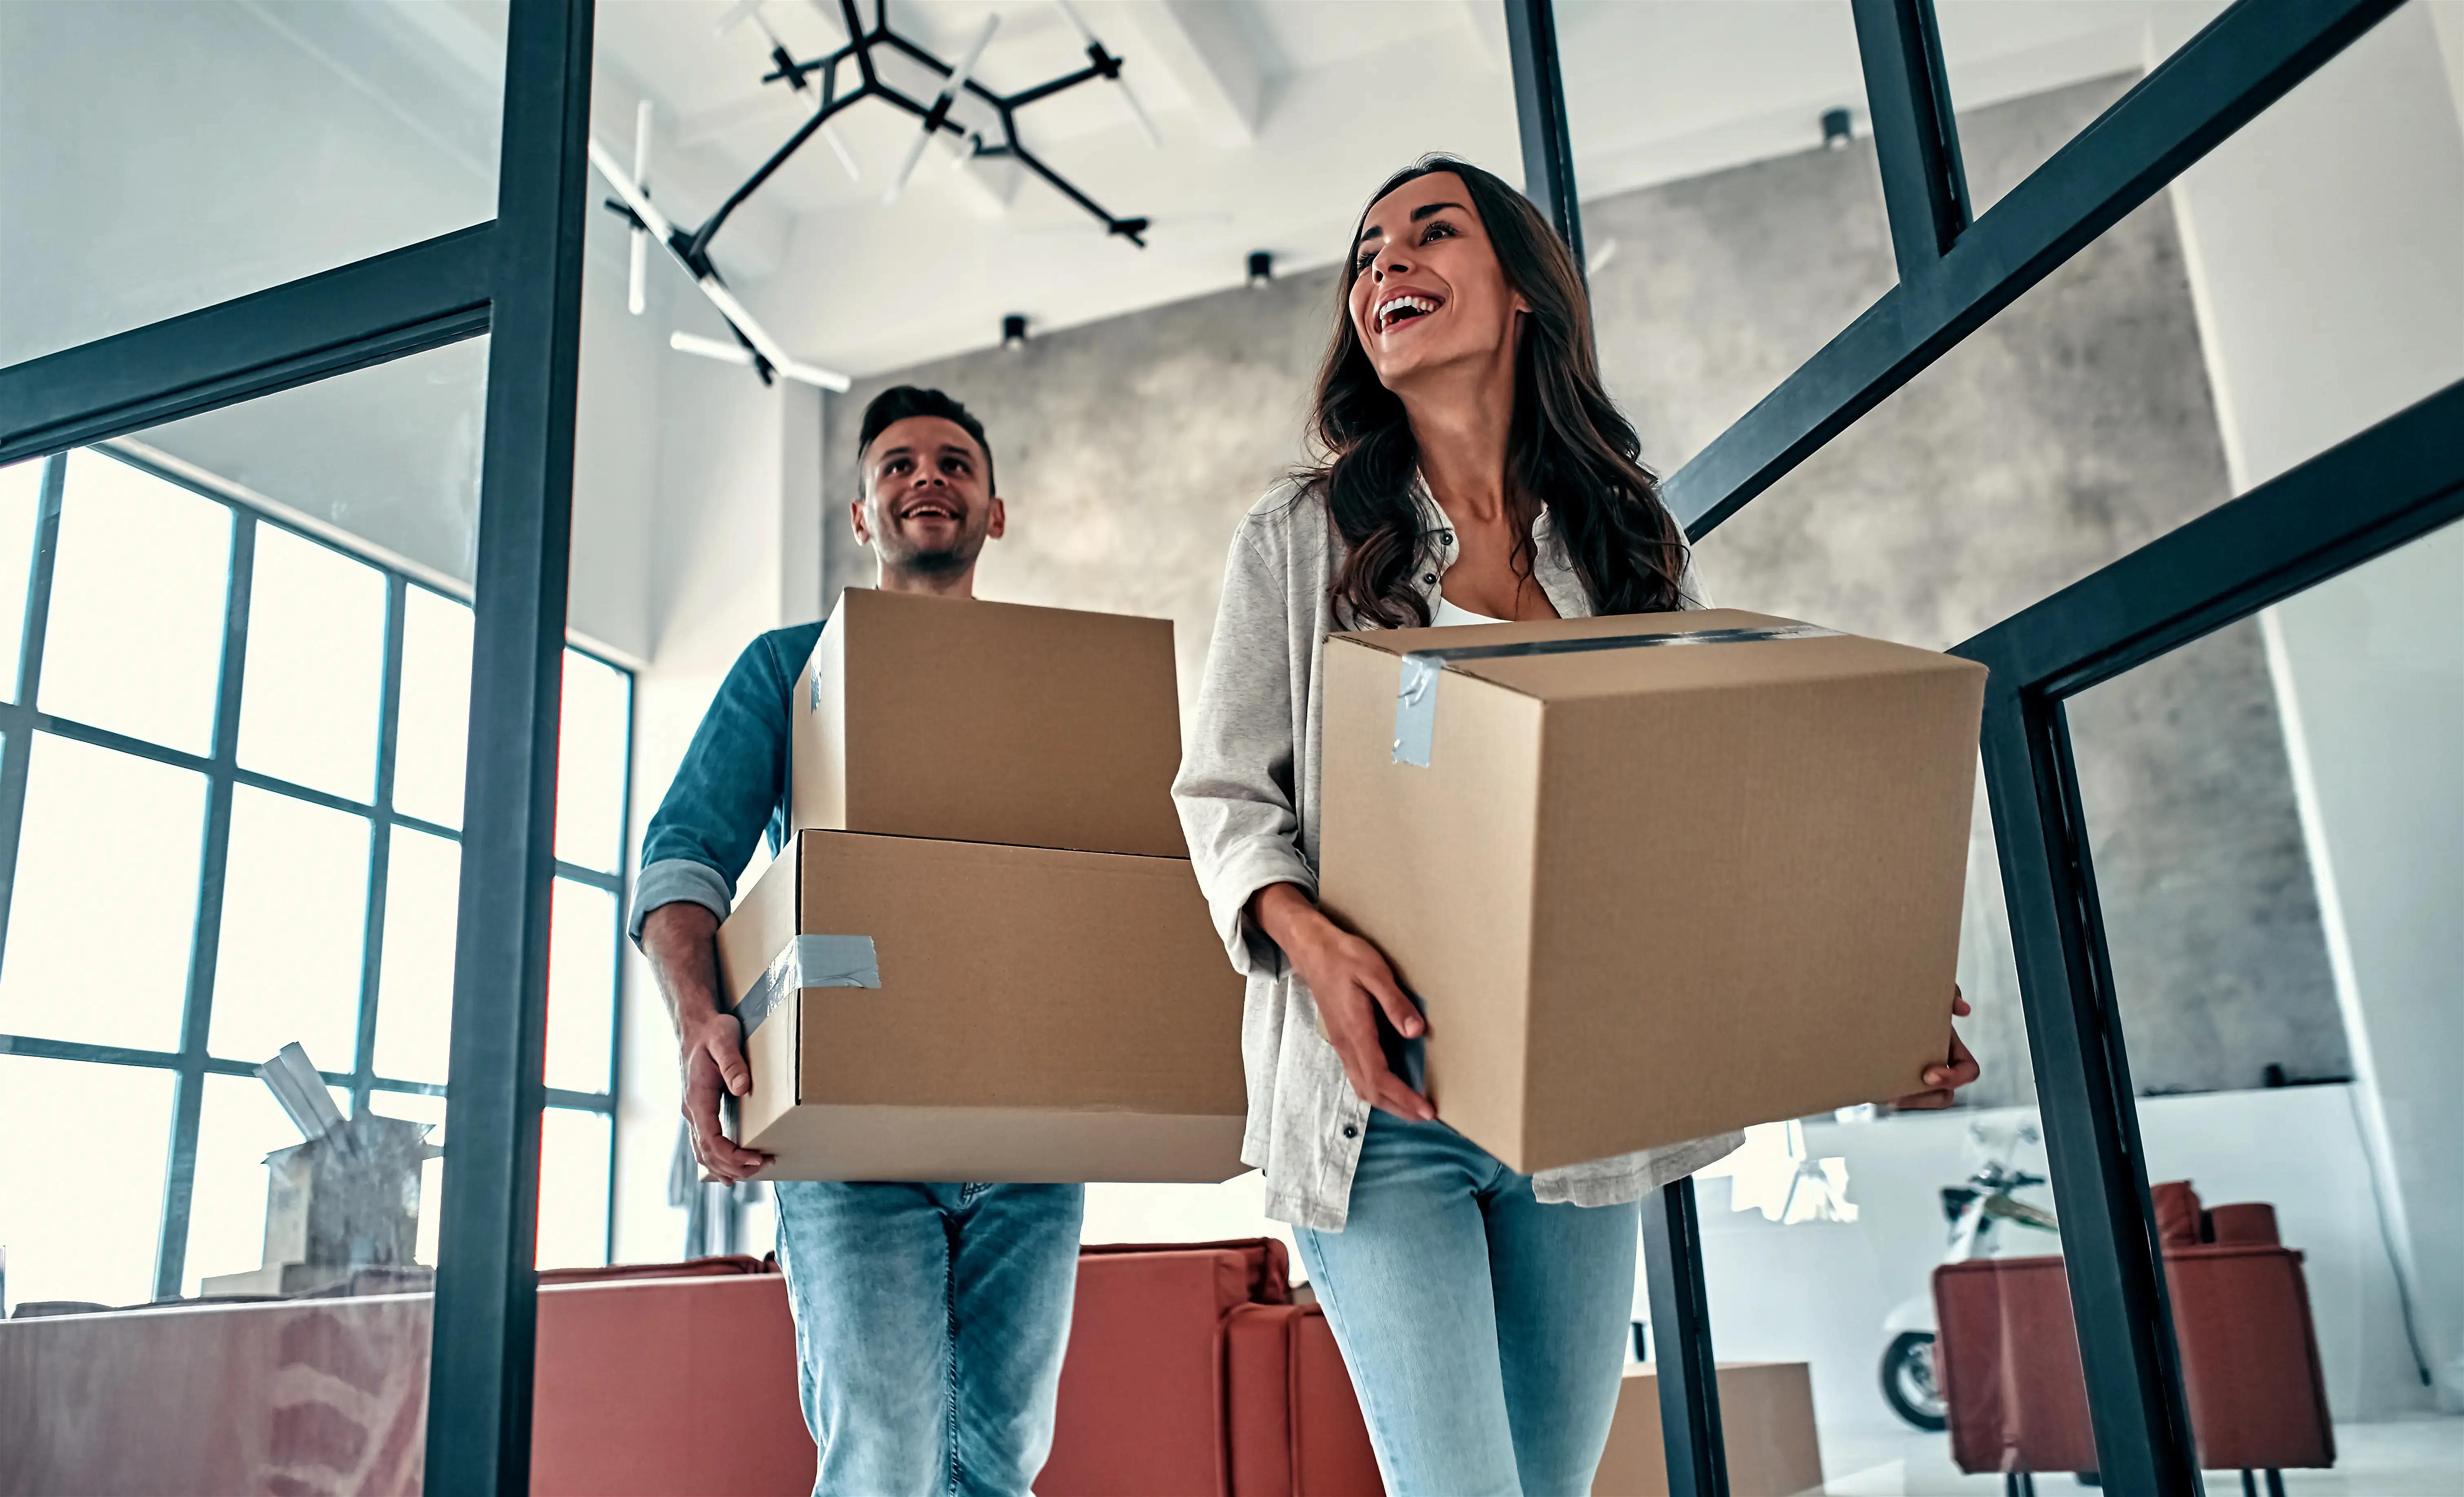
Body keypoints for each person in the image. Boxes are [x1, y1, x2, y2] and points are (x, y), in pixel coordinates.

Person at [1171, 157, 1982, 1496]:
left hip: (1579, 1118)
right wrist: (1310, 943)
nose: (1385, 269)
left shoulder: (1625, 547)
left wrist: (1857, 995)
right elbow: (1225, 799)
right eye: (1365, 255)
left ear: (1525, 293)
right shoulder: (1300, 537)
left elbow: (1692, 829)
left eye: (1431, 234)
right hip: (1387, 1115)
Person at [631, 386, 1080, 1497]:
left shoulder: (1061, 684)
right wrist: (702, 1024)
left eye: (953, 463)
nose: (926, 477)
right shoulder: (788, 669)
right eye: (897, 465)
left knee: (1002, 1459)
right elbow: (681, 863)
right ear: (861, 514)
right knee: (883, 1450)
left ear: (997, 510)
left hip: (1030, 1126)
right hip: (851, 1129)